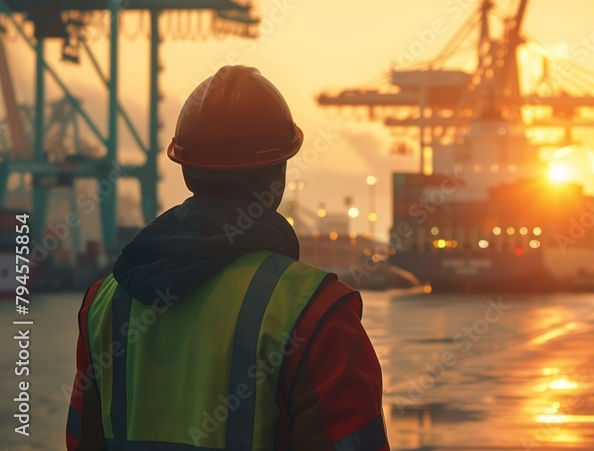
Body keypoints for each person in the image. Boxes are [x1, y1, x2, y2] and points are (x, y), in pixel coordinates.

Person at [66, 65, 389, 450]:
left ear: (186, 170)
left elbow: (80, 441)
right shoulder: (316, 314)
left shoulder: (104, 304)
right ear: (278, 179)